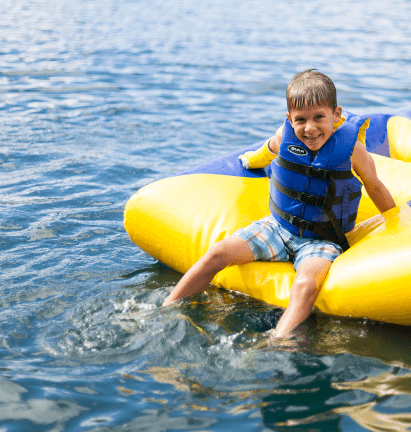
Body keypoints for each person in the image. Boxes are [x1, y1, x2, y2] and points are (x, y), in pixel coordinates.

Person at [162, 70, 397, 338]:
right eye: (300, 120)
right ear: (289, 119)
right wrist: (250, 161)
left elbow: (374, 185)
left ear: (336, 114)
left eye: (319, 117)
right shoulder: (285, 136)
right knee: (217, 253)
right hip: (278, 227)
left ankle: (279, 340)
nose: (309, 128)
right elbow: (268, 149)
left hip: (321, 239)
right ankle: (166, 308)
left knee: (306, 285)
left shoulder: (352, 150)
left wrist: (395, 222)